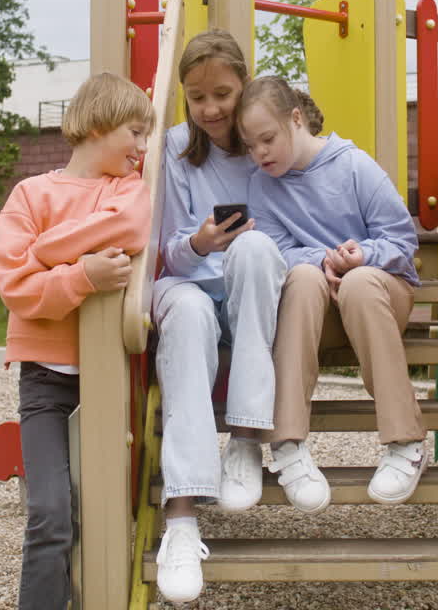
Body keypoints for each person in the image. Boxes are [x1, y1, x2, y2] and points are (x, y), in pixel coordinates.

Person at [0, 72, 154, 610]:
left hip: (110, 377)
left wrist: (43, 253)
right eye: (135, 131)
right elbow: (16, 287)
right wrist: (82, 276)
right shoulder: (31, 194)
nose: (141, 146)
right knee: (51, 514)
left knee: (106, 507)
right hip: (45, 383)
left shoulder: (126, 192)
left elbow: (129, 228)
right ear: (100, 124)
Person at [238, 75, 426, 511]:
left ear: (297, 119)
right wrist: (323, 260)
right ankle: (287, 442)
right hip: (317, 312)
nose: (259, 153)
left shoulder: (354, 166)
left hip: (375, 299)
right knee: (301, 276)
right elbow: (276, 252)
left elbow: (402, 244)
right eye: (250, 145)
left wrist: (362, 255)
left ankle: (406, 442)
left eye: (267, 139)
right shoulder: (261, 186)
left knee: (358, 283)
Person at [152, 30, 287, 603]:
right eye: (196, 96)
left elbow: (289, 231)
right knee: (184, 312)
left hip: (248, 291)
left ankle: (247, 439)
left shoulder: (266, 144)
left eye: (223, 94)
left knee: (255, 249)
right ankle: (180, 516)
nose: (209, 109)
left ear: (244, 85)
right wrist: (202, 243)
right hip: (189, 287)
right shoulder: (176, 148)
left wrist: (235, 247)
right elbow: (165, 250)